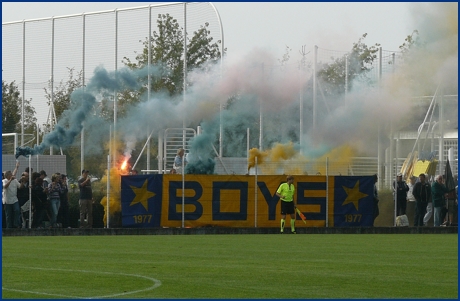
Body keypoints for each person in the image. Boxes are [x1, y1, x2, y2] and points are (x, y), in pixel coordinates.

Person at [2, 161, 21, 228]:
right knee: (8, 215)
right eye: (11, 174)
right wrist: (10, 180)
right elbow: (5, 186)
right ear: (7, 176)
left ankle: (16, 224)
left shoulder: (15, 180)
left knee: (17, 210)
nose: (12, 175)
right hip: (7, 201)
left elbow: (20, 186)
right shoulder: (4, 181)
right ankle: (9, 228)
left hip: (14, 199)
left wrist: (16, 167)